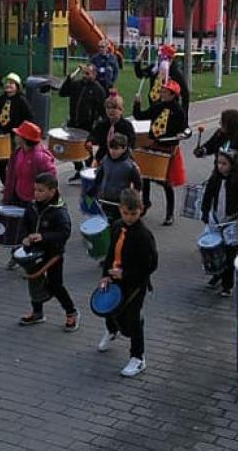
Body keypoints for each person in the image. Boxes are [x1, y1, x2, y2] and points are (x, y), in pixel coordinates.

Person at [97, 187, 159, 378]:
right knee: (109, 308)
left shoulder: (144, 236)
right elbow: (110, 253)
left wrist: (125, 274)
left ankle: (138, 357)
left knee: (133, 319)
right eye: (126, 213)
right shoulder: (116, 226)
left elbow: (150, 265)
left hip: (135, 284)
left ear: (141, 209)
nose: (130, 217)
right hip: (114, 277)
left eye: (134, 213)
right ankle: (111, 330)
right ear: (120, 209)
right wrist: (105, 274)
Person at [18, 174, 78, 331]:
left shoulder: (59, 211)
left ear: (52, 191)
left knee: (56, 284)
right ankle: (37, 313)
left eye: (41, 191)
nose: (36, 194)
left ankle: (71, 312)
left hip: (53, 254)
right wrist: (25, 237)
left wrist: (43, 236)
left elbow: (64, 232)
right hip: (35, 252)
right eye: (35, 190)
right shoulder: (32, 206)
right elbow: (25, 224)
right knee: (34, 283)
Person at [132, 78, 188, 225]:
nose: (162, 92)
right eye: (162, 90)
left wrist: (182, 134)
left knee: (166, 182)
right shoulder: (158, 107)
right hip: (154, 144)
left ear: (172, 94)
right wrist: (136, 103)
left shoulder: (179, 111)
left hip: (168, 148)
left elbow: (185, 129)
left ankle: (170, 213)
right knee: (145, 175)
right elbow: (140, 116)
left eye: (165, 91)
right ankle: (146, 202)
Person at [200, 146, 238, 296]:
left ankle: (227, 284)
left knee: (230, 254)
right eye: (218, 163)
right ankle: (217, 274)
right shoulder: (215, 179)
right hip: (216, 219)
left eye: (224, 164)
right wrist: (204, 212)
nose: (220, 166)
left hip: (232, 221)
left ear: (232, 165)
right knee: (216, 251)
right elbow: (207, 196)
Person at [59, 63, 108, 181]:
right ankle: (79, 170)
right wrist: (69, 79)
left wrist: (101, 125)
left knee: (86, 151)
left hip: (87, 125)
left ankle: (90, 172)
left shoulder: (98, 90)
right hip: (73, 122)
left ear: (94, 74)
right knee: (72, 150)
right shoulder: (77, 85)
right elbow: (62, 93)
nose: (85, 76)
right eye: (84, 73)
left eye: (88, 73)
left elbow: (102, 110)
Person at [0, 72, 34, 184]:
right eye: (7, 83)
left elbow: (29, 118)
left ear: (17, 86)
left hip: (15, 137)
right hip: (2, 135)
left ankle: (16, 186)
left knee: (13, 163)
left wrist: (22, 134)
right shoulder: (2, 99)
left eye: (11, 83)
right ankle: (7, 185)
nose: (8, 85)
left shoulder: (21, 100)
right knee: (0, 164)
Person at [196, 108, 238, 179]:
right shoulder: (220, 134)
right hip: (220, 171)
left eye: (222, 122)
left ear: (230, 124)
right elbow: (210, 145)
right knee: (212, 187)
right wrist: (203, 150)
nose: (220, 123)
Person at [91, 133, 142, 220]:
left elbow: (138, 185)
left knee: (118, 226)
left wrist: (132, 201)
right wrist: (93, 192)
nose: (113, 151)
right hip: (105, 200)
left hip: (119, 203)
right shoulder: (105, 160)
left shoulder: (130, 166)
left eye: (116, 149)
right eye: (111, 148)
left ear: (124, 148)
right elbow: (99, 178)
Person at [134, 43, 190, 110]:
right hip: (154, 106)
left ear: (171, 59)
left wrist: (183, 114)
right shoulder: (155, 68)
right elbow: (141, 74)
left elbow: (185, 94)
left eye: (165, 58)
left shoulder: (175, 74)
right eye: (160, 57)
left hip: (169, 110)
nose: (162, 60)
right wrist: (138, 64)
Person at [87, 93, 136, 164]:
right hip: (101, 158)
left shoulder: (127, 126)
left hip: (120, 160)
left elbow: (131, 144)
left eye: (114, 108)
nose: (111, 111)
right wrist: (90, 142)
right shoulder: (101, 124)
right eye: (108, 108)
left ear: (121, 110)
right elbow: (93, 137)